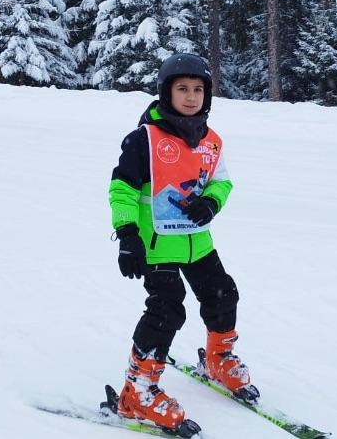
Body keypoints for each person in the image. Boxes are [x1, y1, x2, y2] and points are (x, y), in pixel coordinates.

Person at [106, 53, 256, 433]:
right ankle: (137, 390)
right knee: (167, 309)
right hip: (156, 244)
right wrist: (127, 235)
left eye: (198, 90)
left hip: (197, 242)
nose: (191, 97)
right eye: (182, 89)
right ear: (166, 92)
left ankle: (219, 358)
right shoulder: (143, 140)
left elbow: (222, 181)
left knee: (223, 294)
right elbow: (122, 190)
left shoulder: (211, 141)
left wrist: (211, 202)